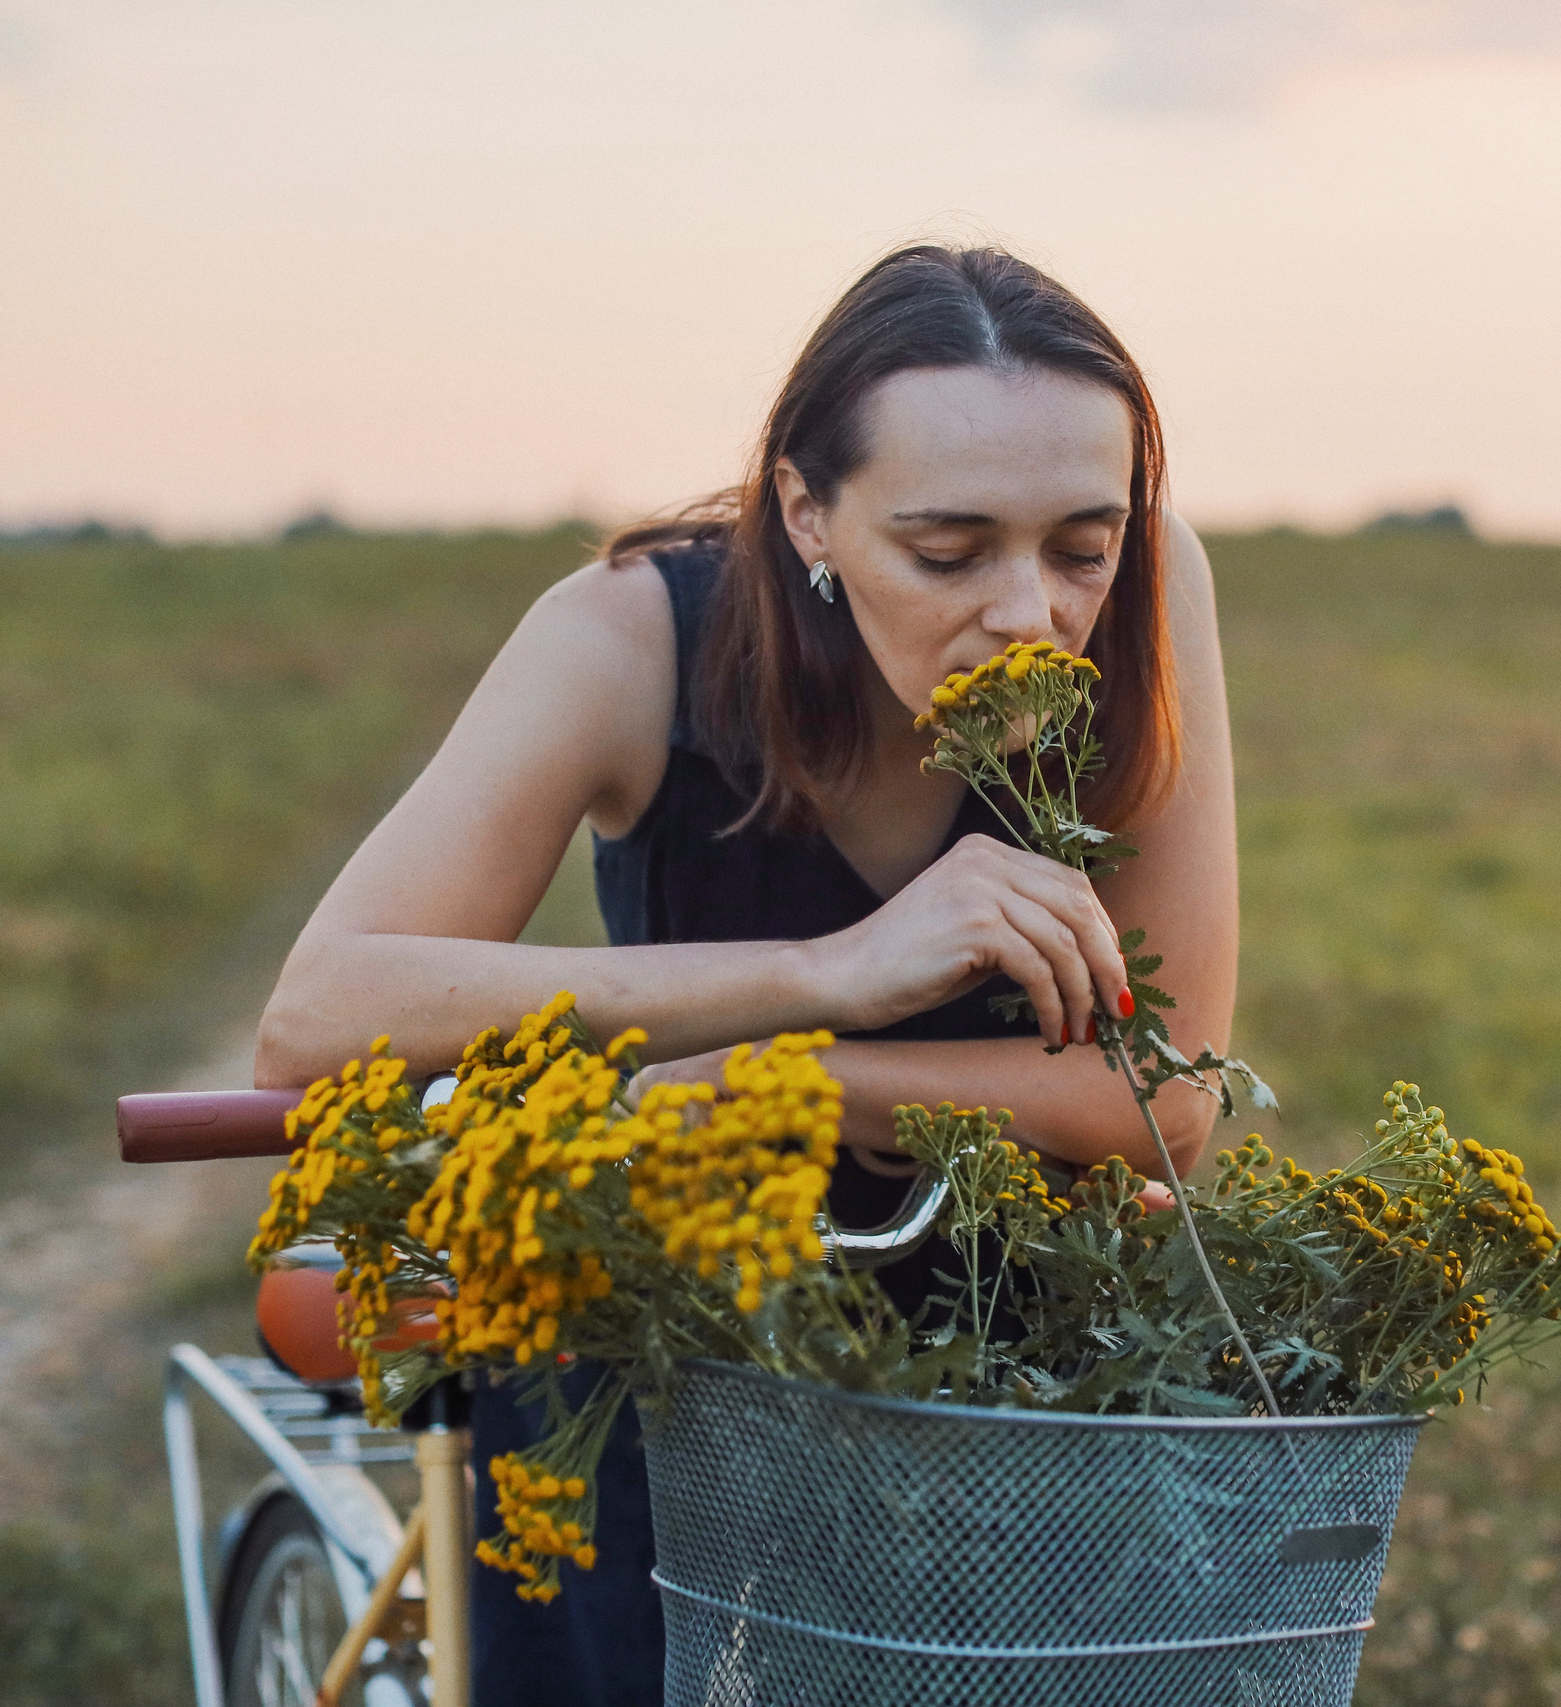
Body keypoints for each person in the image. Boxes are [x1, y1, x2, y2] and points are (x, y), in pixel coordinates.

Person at [251, 244, 1240, 1706]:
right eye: (949, 551)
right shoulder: (634, 637)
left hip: (1000, 1307)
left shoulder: (1155, 593)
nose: (1029, 613)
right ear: (805, 510)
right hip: (652, 1297)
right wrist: (826, 972)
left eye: (1081, 548)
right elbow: (315, 1018)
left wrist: (766, 1080)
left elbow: (1162, 1097)